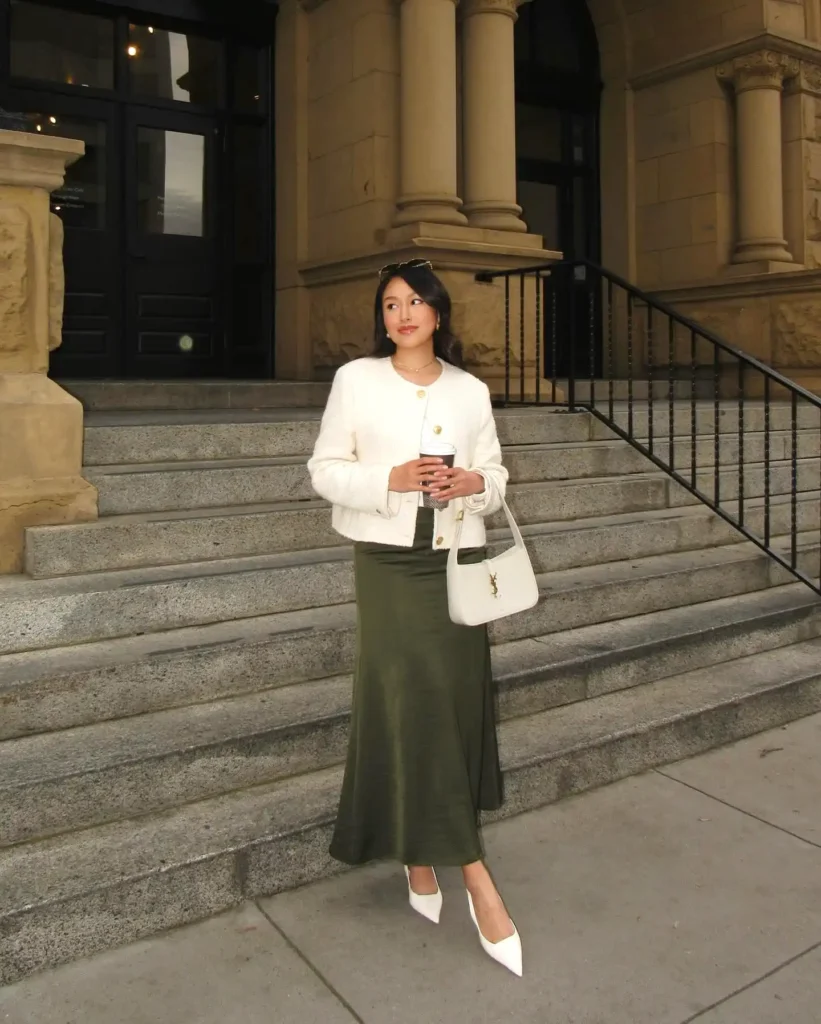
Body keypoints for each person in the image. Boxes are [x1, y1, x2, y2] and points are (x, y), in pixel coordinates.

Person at [307, 259, 522, 977]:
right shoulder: (355, 381)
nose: (401, 314)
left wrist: (471, 484)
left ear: (437, 314)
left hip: (455, 564)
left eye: (415, 303)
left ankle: (416, 852)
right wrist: (389, 479)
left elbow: (495, 479)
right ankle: (474, 875)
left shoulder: (469, 390)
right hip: (390, 568)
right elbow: (324, 469)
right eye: (391, 304)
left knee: (448, 704)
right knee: (414, 703)